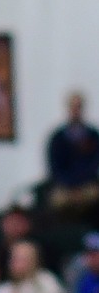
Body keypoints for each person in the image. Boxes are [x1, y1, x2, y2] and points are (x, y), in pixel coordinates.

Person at [46, 91, 99, 221]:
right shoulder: (57, 137)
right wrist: (70, 186)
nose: (76, 110)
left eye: (78, 106)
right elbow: (55, 167)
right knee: (58, 200)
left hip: (87, 186)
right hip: (64, 187)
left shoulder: (93, 135)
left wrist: (80, 187)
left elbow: (94, 164)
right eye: (73, 106)